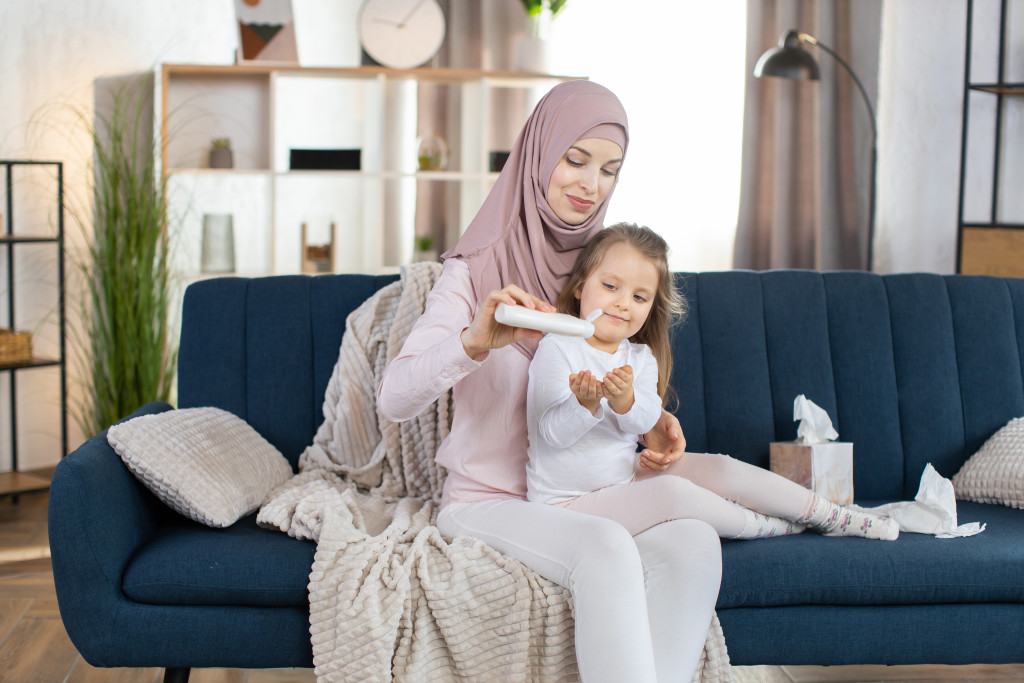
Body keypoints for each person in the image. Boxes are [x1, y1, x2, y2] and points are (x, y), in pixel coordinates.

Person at [377, 81, 721, 683]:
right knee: (606, 549)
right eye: (575, 160)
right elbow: (395, 397)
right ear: (538, 156)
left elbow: (616, 387)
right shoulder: (474, 273)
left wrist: (651, 419)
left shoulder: (604, 273)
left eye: (609, 169)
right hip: (489, 504)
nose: (591, 185)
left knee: (695, 541)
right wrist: (474, 344)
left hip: (585, 499)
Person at [525, 223, 900, 542]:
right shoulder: (558, 348)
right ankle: (769, 526)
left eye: (639, 296)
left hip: (624, 482)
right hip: (566, 506)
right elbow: (552, 437)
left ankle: (830, 515)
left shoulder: (639, 358)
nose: (624, 303)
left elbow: (642, 423)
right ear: (579, 287)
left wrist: (623, 401)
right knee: (672, 492)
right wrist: (585, 405)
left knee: (722, 468)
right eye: (611, 286)